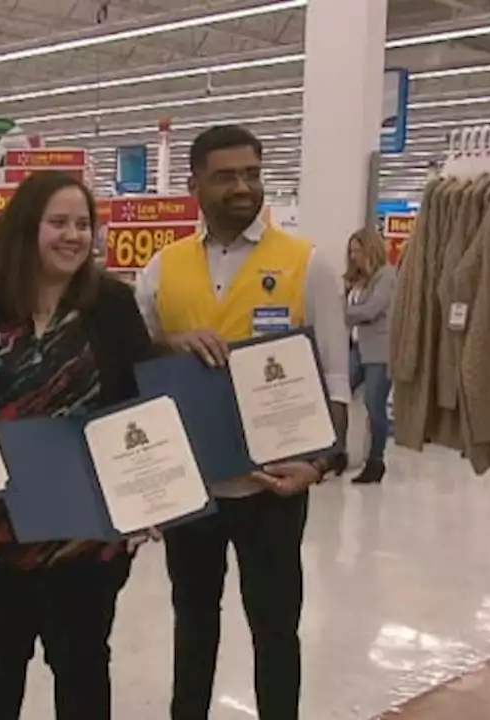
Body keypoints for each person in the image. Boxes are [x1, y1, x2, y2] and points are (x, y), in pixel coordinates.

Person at [133, 125, 349, 720]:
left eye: (251, 173)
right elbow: (135, 360)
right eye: (226, 175)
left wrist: (319, 462)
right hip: (193, 485)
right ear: (194, 183)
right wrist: (169, 340)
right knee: (192, 622)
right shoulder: (160, 268)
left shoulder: (307, 264)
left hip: (274, 484)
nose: (243, 187)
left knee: (276, 629)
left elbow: (335, 375)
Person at [0, 171, 154, 720]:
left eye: (83, 224)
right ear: (26, 227)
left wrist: (148, 497)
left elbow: (139, 405)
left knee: (83, 671)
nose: (73, 235)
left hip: (85, 537)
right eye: (58, 222)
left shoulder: (111, 305)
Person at [344, 227, 397, 485]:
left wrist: (342, 312)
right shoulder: (357, 279)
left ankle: (376, 461)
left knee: (374, 406)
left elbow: (372, 310)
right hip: (357, 348)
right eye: (351, 251)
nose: (353, 256)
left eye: (357, 250)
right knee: (339, 395)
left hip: (380, 351)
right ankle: (336, 455)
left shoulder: (386, 276)